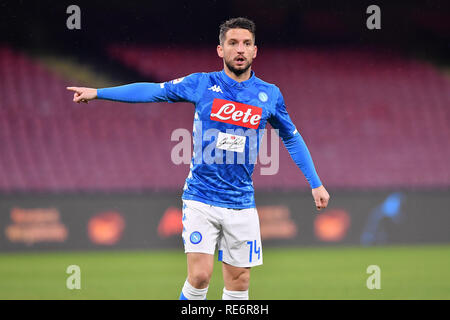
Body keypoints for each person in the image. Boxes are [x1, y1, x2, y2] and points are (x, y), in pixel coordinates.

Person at [67, 17, 330, 300]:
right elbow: (154, 91)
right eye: (232, 43)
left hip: (241, 202)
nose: (239, 49)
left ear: (255, 51)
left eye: (246, 44)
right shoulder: (202, 84)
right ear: (220, 50)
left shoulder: (270, 95)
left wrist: (315, 183)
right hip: (200, 198)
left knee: (239, 283)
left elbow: (290, 136)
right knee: (200, 276)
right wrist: (98, 93)